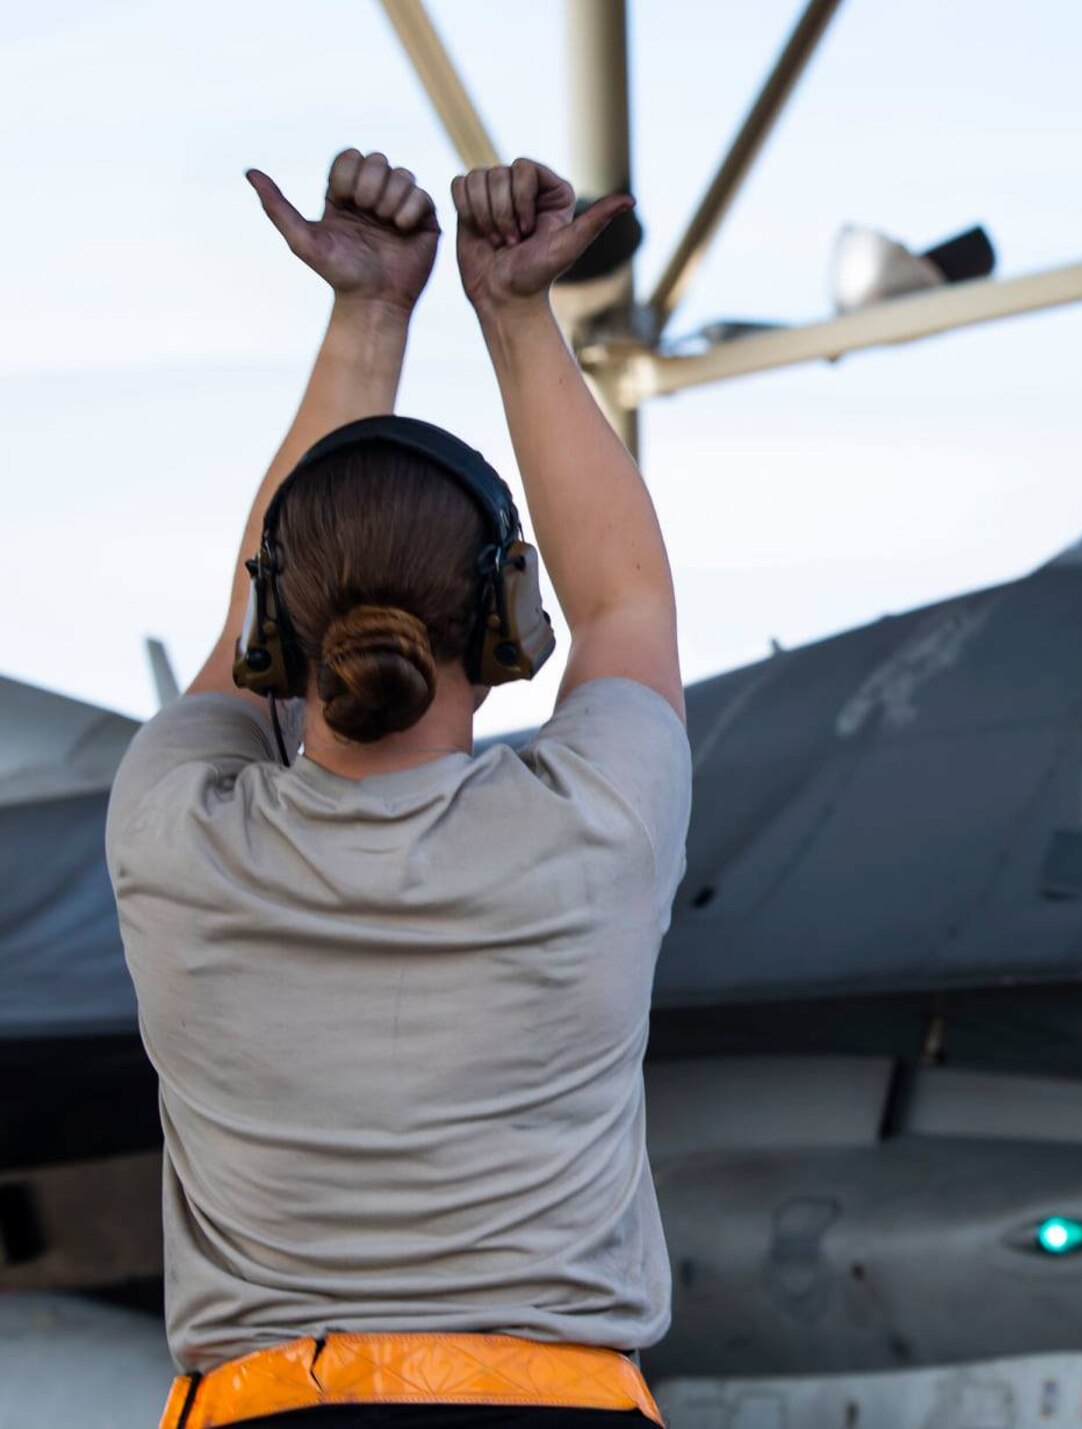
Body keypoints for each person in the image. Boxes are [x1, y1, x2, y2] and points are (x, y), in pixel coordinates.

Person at [106, 147, 688, 1429]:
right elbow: (626, 598)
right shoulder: (598, 823)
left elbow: (245, 624)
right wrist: (516, 310)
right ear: (507, 626)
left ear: (274, 630)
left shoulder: (172, 834)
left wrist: (370, 309)